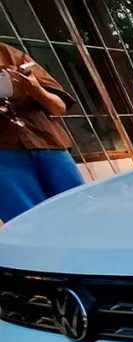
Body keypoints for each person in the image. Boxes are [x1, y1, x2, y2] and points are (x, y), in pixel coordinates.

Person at [0, 43, 83, 223]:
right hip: (4, 156)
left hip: (47, 142)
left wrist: (34, 88)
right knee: (27, 221)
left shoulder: (12, 55)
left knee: (80, 208)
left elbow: (59, 108)